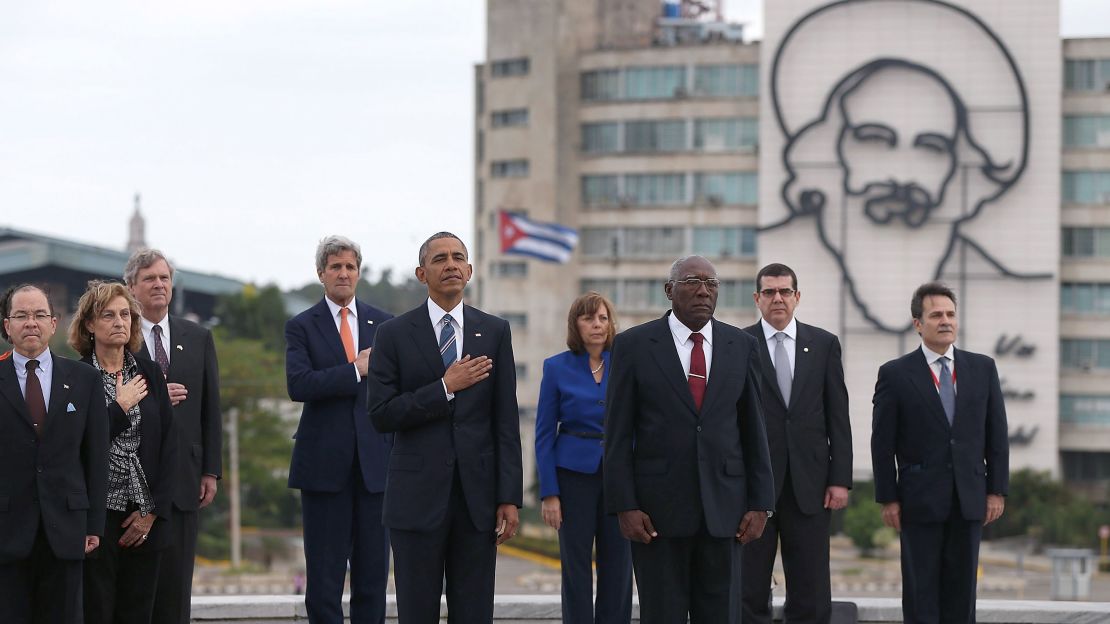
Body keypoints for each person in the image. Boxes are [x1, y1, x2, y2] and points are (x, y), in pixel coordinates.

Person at [604, 255, 775, 624]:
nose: (703, 291)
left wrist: (762, 503)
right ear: (669, 290)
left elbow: (753, 429)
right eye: (692, 282)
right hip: (656, 516)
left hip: (725, 512)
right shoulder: (633, 346)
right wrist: (624, 505)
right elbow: (617, 433)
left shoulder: (741, 345)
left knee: (721, 616)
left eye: (712, 284)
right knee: (661, 614)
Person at [368, 231, 523, 624]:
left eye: (458, 257)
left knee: (474, 614)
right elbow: (382, 413)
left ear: (470, 270)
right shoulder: (393, 334)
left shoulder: (494, 331)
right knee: (416, 613)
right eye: (439, 259)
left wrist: (509, 496)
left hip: (477, 502)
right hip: (415, 501)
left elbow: (505, 421)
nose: (450, 264)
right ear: (422, 273)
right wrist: (443, 388)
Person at [871, 282, 1008, 624]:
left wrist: (996, 490)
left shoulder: (983, 368)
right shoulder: (895, 374)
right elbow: (882, 443)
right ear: (918, 323)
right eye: (936, 315)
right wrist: (888, 497)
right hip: (918, 502)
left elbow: (997, 435)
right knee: (921, 595)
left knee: (963, 596)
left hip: (970, 498)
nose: (945, 321)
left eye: (950, 314)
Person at [285, 235, 393, 624]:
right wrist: (354, 370)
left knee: (372, 579)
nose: (343, 273)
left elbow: (396, 391)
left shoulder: (385, 324)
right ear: (321, 274)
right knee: (325, 581)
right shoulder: (301, 326)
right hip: (323, 469)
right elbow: (299, 385)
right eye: (335, 267)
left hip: (375, 470)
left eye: (350, 266)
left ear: (358, 273)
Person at [741, 263, 852, 624]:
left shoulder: (823, 345)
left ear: (797, 297)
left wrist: (840, 479)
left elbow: (838, 416)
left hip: (812, 485)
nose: (778, 299)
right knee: (748, 585)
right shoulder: (737, 345)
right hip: (753, 487)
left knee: (811, 586)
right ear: (757, 299)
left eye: (785, 291)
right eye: (769, 292)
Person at [69, 281, 177, 624]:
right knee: (97, 610)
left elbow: (170, 445)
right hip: (97, 518)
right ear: (89, 324)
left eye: (126, 315)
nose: (119, 322)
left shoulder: (150, 374)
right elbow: (75, 444)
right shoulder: (76, 376)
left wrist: (151, 513)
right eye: (108, 315)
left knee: (139, 613)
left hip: (145, 515)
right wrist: (119, 407)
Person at [0, 284, 109, 624]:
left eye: (39, 315)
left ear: (53, 323)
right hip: (7, 530)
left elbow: (95, 457)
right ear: (7, 326)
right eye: (21, 315)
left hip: (66, 528)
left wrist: (95, 524)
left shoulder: (85, 379)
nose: (30, 323)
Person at [124, 249, 222, 624]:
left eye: (164, 277)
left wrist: (210, 470)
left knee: (176, 591)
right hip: (132, 482)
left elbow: (210, 408)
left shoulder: (198, 337)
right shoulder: (120, 337)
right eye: (149, 278)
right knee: (136, 594)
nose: (159, 285)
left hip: (184, 481)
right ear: (131, 287)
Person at [535, 292, 632, 624]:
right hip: (572, 477)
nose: (597, 325)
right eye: (589, 318)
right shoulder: (556, 367)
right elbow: (544, 434)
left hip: (619, 476)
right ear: (575, 324)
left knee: (619, 565)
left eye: (603, 318)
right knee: (575, 565)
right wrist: (549, 493)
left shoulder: (625, 362)